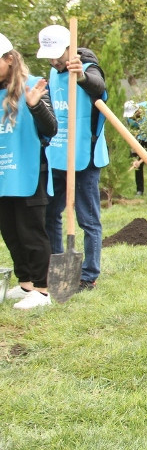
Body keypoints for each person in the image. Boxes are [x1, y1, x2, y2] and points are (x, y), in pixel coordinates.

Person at [38, 24, 109, 292]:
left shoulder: (88, 66)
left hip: (84, 156)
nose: (54, 61)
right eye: (49, 56)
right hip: (57, 152)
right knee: (51, 213)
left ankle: (89, 276)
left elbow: (97, 86)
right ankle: (58, 266)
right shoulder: (53, 71)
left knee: (88, 219)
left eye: (58, 54)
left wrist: (80, 76)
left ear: (71, 48)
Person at [0, 33, 58, 309]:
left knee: (30, 231)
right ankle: (25, 284)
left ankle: (43, 290)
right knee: (10, 231)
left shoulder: (34, 86)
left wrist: (35, 106)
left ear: (9, 60)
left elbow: (51, 129)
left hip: (29, 171)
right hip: (2, 174)